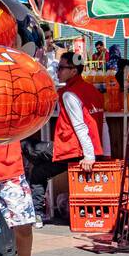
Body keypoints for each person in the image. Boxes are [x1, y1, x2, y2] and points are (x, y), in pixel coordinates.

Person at [27, 50, 108, 223]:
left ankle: (37, 214)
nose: (58, 71)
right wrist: (99, 152)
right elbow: (102, 123)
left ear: (74, 71)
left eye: (62, 68)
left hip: (71, 149)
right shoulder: (92, 90)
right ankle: (37, 214)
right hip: (81, 149)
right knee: (38, 172)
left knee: (25, 146)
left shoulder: (70, 94)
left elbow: (80, 126)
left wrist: (89, 156)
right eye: (58, 67)